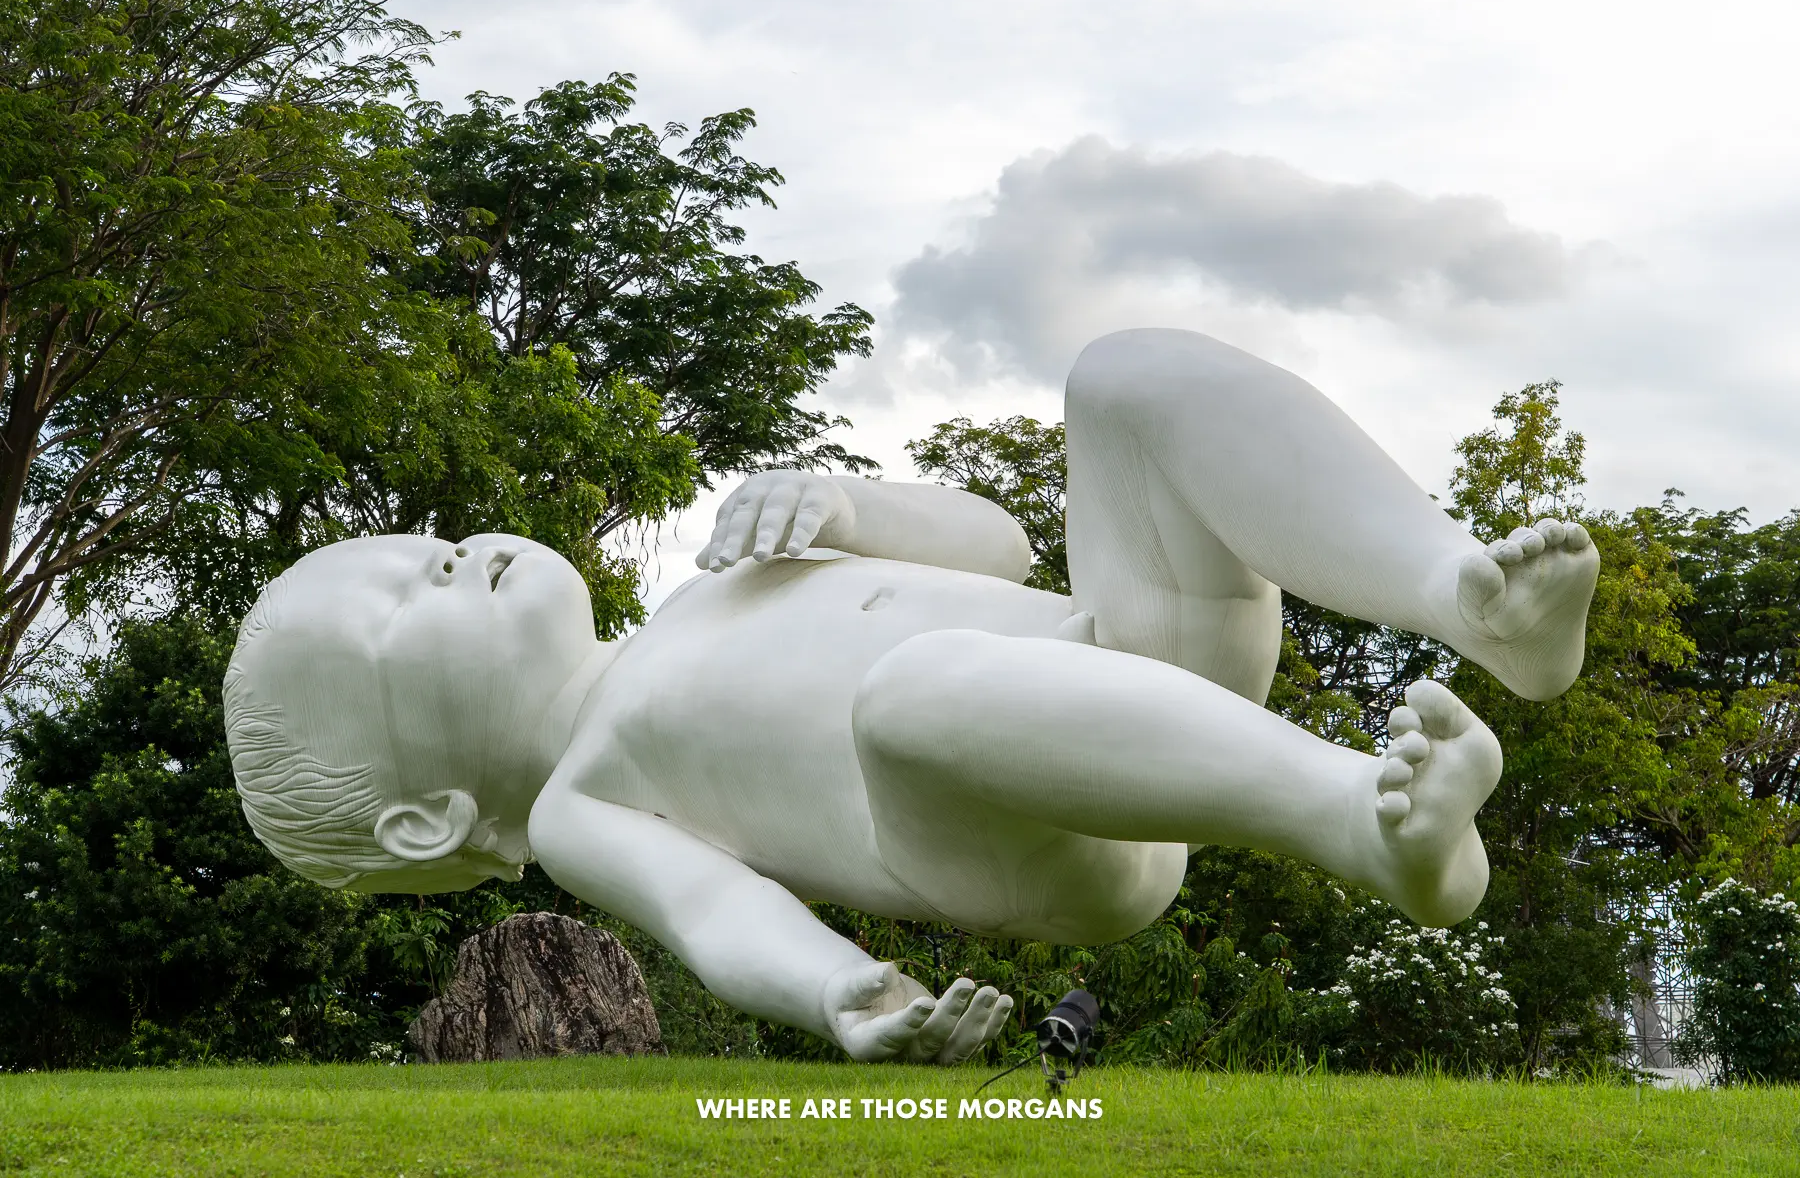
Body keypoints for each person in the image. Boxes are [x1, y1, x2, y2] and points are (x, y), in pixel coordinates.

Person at [225, 329, 1599, 1063]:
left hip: (1126, 658)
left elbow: (998, 548)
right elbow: (717, 916)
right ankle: (1367, 825)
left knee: (1128, 376)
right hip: (1013, 834)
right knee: (911, 692)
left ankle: (1464, 596)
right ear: (427, 818)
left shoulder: (708, 588)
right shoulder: (584, 802)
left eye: (420, 545)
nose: (444, 555)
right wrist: (842, 990)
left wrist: (845, 503)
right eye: (400, 606)